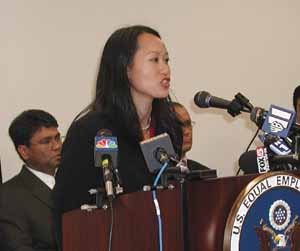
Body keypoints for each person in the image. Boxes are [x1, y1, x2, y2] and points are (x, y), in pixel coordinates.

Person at [53, 24, 182, 216]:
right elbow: (66, 208)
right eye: (154, 60)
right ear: (125, 68)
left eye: (166, 59)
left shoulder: (168, 126)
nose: (165, 69)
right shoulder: (94, 131)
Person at [0, 109, 62, 251]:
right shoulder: (7, 197)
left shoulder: (70, 184)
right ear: (24, 151)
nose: (57, 146)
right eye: (46, 141)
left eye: (57, 138)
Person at [173, 102, 209, 171]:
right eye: (179, 125)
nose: (187, 132)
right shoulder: (153, 176)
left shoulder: (205, 174)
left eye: (188, 124)